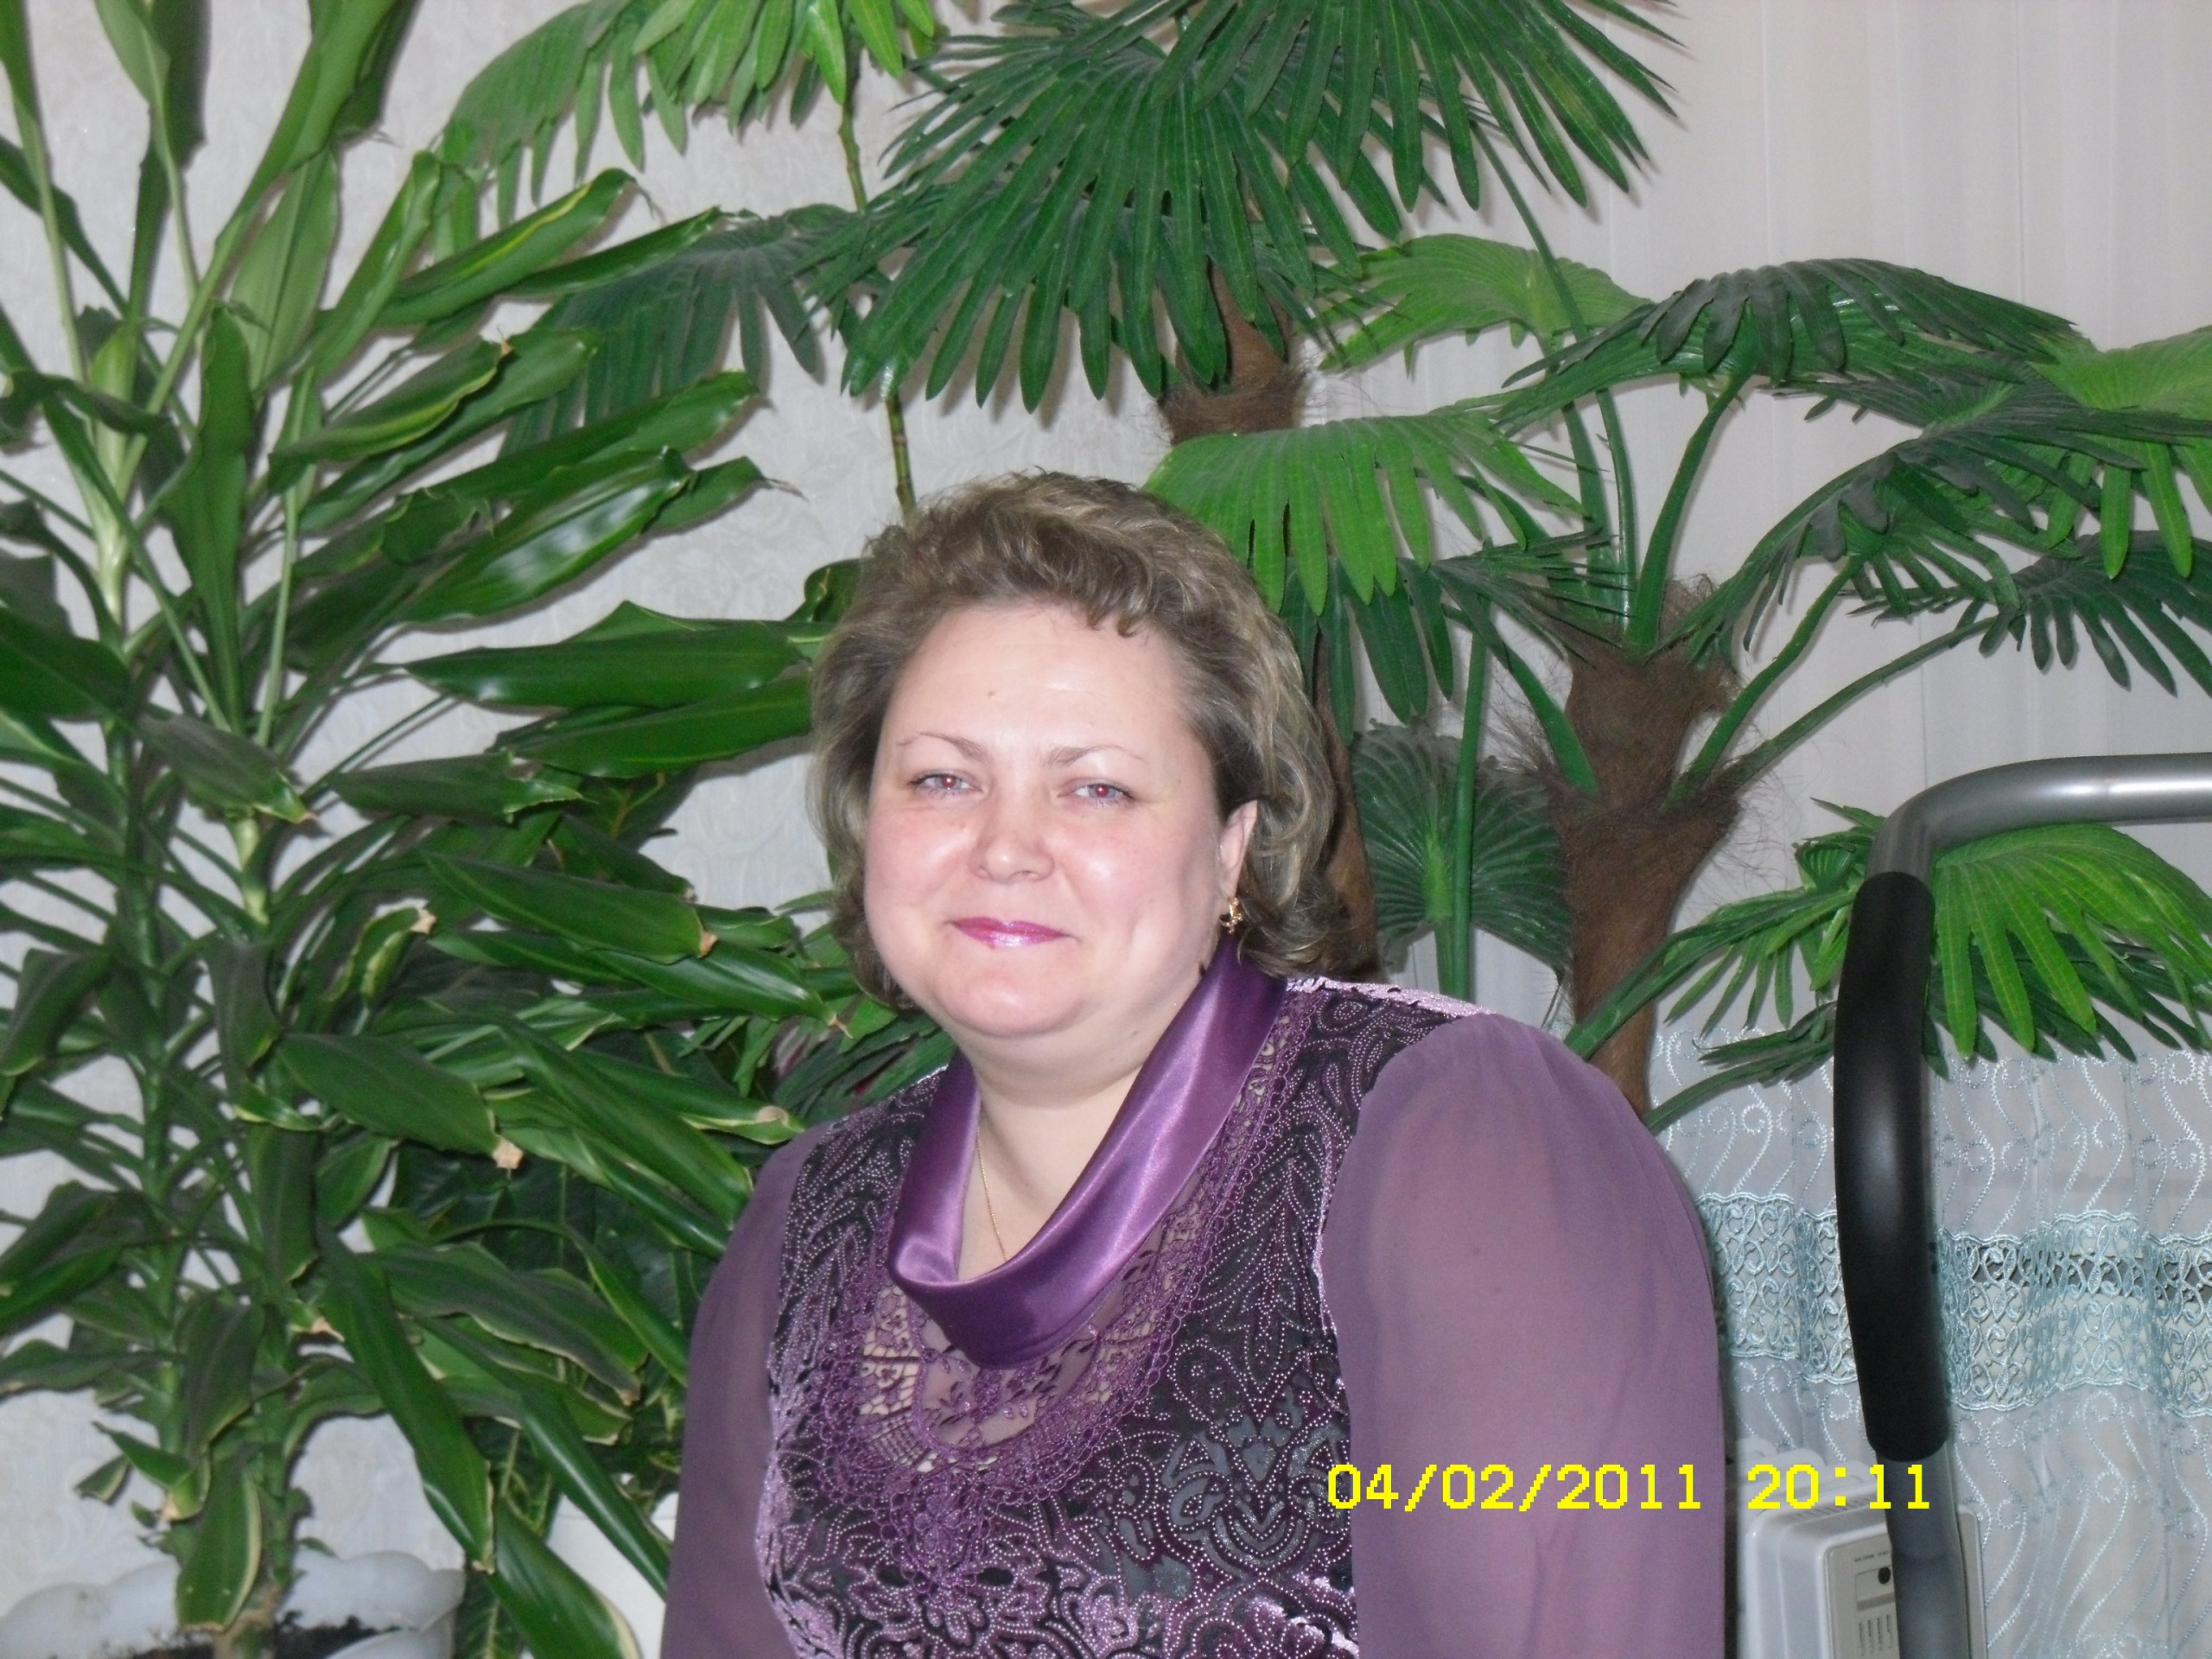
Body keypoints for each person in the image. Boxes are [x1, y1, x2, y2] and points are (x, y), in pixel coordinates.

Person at [663, 474, 1725, 1657]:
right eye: (943, 779)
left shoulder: (1462, 1145)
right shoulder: (806, 1220)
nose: (1005, 847)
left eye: (1097, 787)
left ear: (1231, 850)